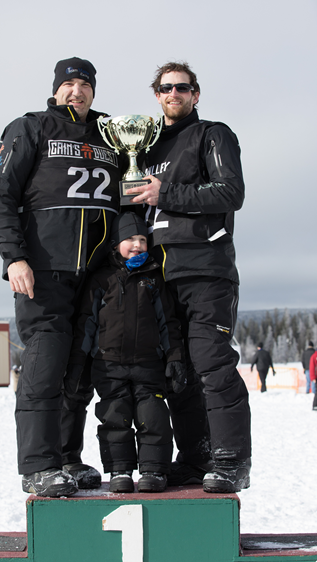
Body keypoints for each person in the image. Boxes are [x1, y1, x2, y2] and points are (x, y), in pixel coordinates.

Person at [0, 57, 122, 498]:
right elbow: (1, 197)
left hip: (98, 273)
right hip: (43, 269)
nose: (76, 91)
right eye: (69, 84)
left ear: (93, 92)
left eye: (85, 84)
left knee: (78, 370)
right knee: (45, 363)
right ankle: (38, 464)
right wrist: (13, 258)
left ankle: (66, 456)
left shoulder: (110, 134)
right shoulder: (31, 128)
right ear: (57, 88)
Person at [129, 60, 251, 494]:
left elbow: (230, 192)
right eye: (165, 89)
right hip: (160, 275)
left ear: (195, 94)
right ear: (156, 95)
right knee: (177, 373)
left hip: (206, 269)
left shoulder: (212, 134)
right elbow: (136, 207)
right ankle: (197, 457)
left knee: (213, 366)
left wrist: (169, 193)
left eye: (182, 88)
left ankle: (231, 461)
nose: (173, 95)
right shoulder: (146, 148)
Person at [65, 212, 187, 493]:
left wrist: (175, 358)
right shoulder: (101, 279)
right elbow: (87, 324)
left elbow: (168, 322)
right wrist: (78, 364)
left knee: (153, 416)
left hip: (148, 365)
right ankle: (120, 469)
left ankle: (153, 470)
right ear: (115, 243)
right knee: (113, 417)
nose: (137, 245)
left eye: (142, 239)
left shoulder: (154, 278)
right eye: (130, 239)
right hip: (108, 365)